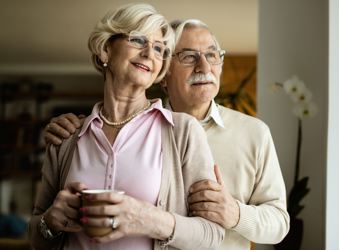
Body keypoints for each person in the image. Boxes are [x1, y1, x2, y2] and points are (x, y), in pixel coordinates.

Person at [44, 19, 289, 250]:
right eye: (189, 56)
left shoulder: (254, 132)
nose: (204, 67)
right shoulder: (139, 132)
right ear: (163, 73)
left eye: (212, 55)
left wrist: (235, 213)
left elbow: (279, 224)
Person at [29, 5, 224, 250]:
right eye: (138, 40)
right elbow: (35, 237)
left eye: (159, 49)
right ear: (105, 49)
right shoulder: (67, 136)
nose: (149, 53)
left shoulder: (182, 131)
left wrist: (148, 219)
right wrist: (51, 221)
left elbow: (212, 235)